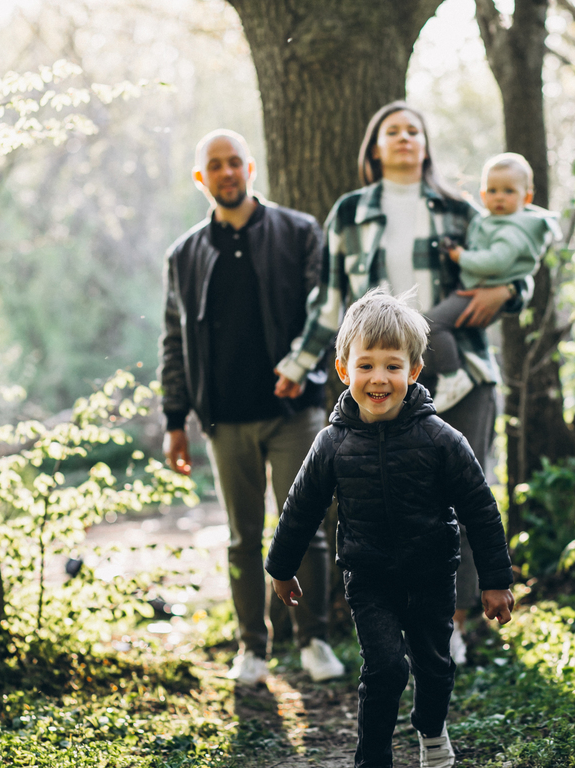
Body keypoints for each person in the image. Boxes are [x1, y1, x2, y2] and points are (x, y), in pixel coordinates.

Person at [274, 101, 517, 664]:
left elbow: (511, 262)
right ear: (375, 148)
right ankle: (384, 621)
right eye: (392, 131)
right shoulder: (351, 212)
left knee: (458, 496)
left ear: (426, 145)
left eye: (414, 130)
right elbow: (329, 303)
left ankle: (449, 623)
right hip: (379, 373)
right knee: (378, 493)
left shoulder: (460, 209)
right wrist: (296, 364)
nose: (405, 138)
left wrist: (511, 293)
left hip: (464, 372)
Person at [265, 289, 515, 768]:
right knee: (384, 668)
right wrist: (281, 566)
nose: (379, 378)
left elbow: (480, 510)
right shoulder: (331, 443)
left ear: (414, 371)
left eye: (392, 366)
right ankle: (372, 757)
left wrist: (496, 580)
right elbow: (301, 507)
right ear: (344, 370)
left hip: (431, 574)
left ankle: (430, 728)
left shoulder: (442, 439)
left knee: (435, 668)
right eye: (366, 366)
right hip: (369, 576)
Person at [158, 129, 344, 685]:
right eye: (214, 165)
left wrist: (303, 370)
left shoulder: (298, 232)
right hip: (223, 419)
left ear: (251, 168)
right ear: (201, 178)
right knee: (242, 537)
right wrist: (175, 420)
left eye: (234, 162)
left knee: (306, 528)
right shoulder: (184, 254)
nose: (226, 172)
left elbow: (325, 309)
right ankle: (252, 650)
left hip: (296, 412)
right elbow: (173, 338)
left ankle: (312, 641)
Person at [426, 152, 559, 413]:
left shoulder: (514, 229)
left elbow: (495, 262)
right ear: (483, 195)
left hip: (486, 292)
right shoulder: (491, 221)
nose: (499, 197)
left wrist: (460, 256)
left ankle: (453, 378)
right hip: (477, 289)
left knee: (431, 324)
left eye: (508, 191)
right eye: (492, 190)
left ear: (527, 197)